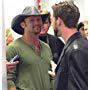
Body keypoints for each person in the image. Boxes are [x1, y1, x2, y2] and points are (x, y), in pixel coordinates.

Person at [6, 6, 53, 90]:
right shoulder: (13, 48)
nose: (36, 23)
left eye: (38, 20)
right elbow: (9, 79)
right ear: (23, 24)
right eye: (32, 20)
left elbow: (51, 76)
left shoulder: (46, 48)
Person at [51, 1, 88, 90]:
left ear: (58, 21)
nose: (51, 24)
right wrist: (60, 72)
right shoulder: (76, 45)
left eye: (52, 20)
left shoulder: (76, 50)